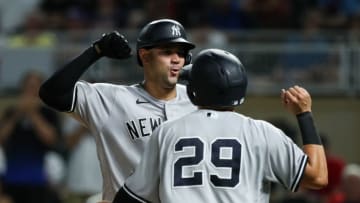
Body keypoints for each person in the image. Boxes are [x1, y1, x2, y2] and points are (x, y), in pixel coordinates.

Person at [112, 48, 328, 203]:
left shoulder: (168, 132)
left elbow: (132, 198)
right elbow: (318, 177)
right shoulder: (261, 132)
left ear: (195, 89)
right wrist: (304, 114)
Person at [39, 19, 197, 201]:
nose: (176, 59)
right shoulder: (113, 99)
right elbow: (52, 93)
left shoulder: (197, 100)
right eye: (167, 52)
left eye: (181, 53)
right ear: (145, 56)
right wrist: (95, 51)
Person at [0, 70, 62, 203]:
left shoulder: (48, 113)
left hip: (38, 180)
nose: (30, 91)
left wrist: (32, 113)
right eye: (28, 87)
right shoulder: (11, 112)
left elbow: (51, 139)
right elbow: (2, 137)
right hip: (11, 179)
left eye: (34, 87)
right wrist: (18, 113)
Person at [62, 116, 102, 203]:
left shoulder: (106, 113)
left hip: (101, 184)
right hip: (76, 182)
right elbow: (68, 143)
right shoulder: (73, 112)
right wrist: (85, 124)